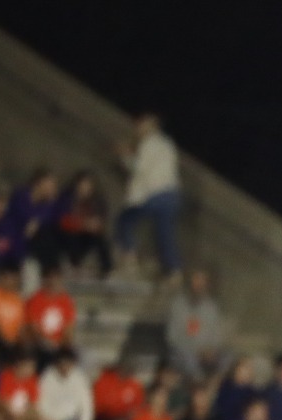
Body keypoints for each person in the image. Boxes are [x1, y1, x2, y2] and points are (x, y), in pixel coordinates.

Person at [115, 112, 181, 277]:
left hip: (154, 195)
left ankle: (130, 257)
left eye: (140, 125)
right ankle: (174, 270)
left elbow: (139, 170)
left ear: (151, 126)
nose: (137, 129)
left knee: (125, 219)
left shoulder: (148, 143)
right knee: (164, 232)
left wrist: (125, 155)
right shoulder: (168, 144)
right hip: (171, 195)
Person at [167, 269, 229, 381]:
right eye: (196, 281)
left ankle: (214, 385)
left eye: (202, 281)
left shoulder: (211, 307)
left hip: (207, 351)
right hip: (184, 351)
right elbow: (172, 336)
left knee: (227, 357)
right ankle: (199, 389)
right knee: (190, 361)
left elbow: (216, 333)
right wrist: (198, 351)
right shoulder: (178, 305)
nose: (199, 285)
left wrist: (211, 350)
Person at [53, 170, 112, 276]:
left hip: (85, 236)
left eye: (88, 185)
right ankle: (74, 264)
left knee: (99, 237)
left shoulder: (96, 201)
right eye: (83, 185)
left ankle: (107, 268)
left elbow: (101, 220)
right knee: (70, 234)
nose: (85, 188)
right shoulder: (66, 198)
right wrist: (84, 224)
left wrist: (95, 225)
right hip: (67, 234)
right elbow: (61, 220)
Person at [24, 265, 77, 351]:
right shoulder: (35, 300)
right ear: (44, 280)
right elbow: (34, 329)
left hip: (60, 345)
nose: (53, 282)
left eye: (56, 278)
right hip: (39, 345)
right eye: (50, 278)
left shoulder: (66, 301)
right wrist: (48, 343)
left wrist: (61, 344)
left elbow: (69, 329)